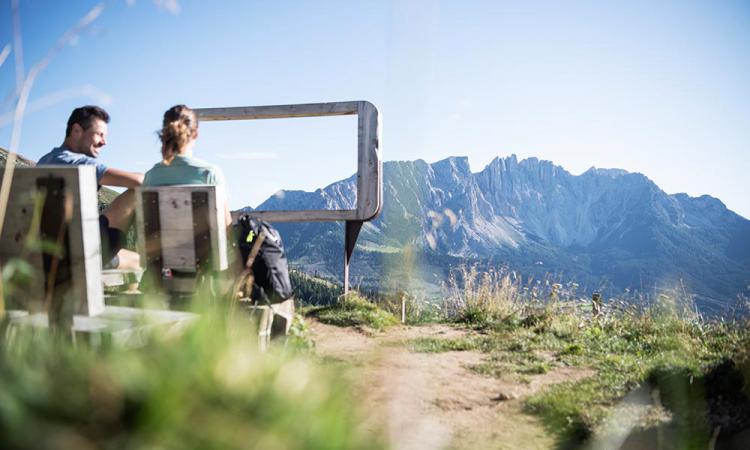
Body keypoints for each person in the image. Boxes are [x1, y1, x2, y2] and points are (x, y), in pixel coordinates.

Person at [37, 105, 142, 269]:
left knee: (135, 259)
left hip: (45, 254)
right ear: (77, 130)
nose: (104, 142)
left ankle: (133, 287)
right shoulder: (80, 163)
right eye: (100, 134)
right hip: (81, 254)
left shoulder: (44, 160)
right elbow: (139, 182)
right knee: (134, 194)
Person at [143, 104, 232, 226]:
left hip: (159, 245)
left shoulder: (151, 176)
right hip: (203, 245)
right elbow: (226, 227)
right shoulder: (210, 173)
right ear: (195, 133)